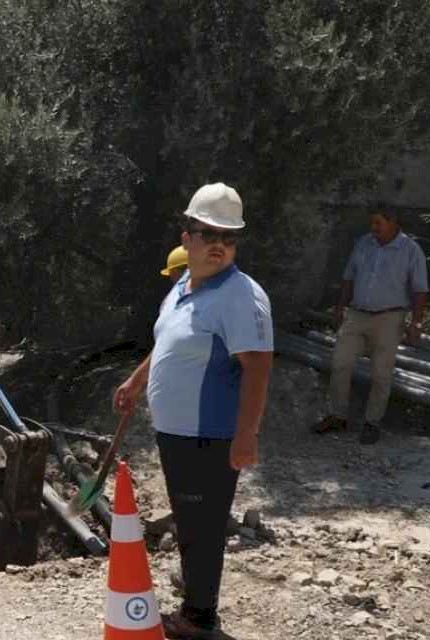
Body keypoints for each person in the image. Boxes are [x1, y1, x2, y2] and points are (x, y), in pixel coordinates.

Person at [114, 183, 273, 640]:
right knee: (191, 521)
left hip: (211, 435)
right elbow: (167, 342)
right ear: (187, 236)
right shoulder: (184, 286)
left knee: (202, 526)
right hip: (178, 433)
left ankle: (200, 621)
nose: (219, 244)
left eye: (229, 236)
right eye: (208, 233)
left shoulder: (240, 296)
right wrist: (136, 381)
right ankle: (196, 593)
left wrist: (247, 436)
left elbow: (258, 368)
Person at [313, 204, 428, 445]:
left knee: (381, 374)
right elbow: (349, 276)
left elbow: (419, 290)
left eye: (378, 223)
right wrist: (340, 307)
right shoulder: (364, 243)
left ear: (393, 221)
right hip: (356, 315)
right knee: (340, 364)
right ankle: (338, 416)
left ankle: (372, 422)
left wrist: (416, 322)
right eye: (372, 223)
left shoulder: (410, 250)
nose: (373, 228)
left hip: (390, 318)